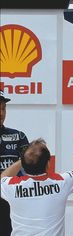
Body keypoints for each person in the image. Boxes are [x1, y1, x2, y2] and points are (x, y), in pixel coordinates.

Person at [0, 133, 73, 236]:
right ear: (48, 164)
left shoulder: (11, 187)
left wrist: (26, 159)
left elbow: (3, 177)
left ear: (24, 165)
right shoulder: (61, 182)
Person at [0, 90, 29, 236]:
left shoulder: (18, 136)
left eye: (3, 108)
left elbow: (30, 171)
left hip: (12, 203)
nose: (1, 113)